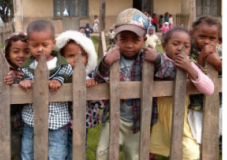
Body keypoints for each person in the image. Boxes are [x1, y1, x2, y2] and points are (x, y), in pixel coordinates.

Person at [94, 8, 176, 160]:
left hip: (138, 120)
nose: (129, 45)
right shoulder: (112, 56)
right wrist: (105, 62)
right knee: (102, 153)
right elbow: (97, 77)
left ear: (144, 39)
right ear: (116, 38)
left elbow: (172, 73)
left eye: (135, 40)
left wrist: (158, 59)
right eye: (123, 39)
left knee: (134, 155)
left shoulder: (148, 58)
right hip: (115, 117)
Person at [150, 27, 214, 160]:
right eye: (175, 44)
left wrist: (190, 69)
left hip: (180, 116)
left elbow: (209, 89)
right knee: (150, 146)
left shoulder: (190, 65)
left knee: (191, 153)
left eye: (186, 46)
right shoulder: (156, 62)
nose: (180, 48)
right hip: (155, 115)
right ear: (164, 46)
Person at [18, 20, 73, 160]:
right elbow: (20, 76)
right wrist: (23, 80)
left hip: (58, 118)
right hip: (32, 118)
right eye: (34, 45)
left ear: (53, 44)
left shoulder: (62, 64)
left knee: (57, 152)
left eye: (45, 45)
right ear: (28, 44)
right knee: (28, 150)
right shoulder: (26, 66)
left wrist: (59, 79)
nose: (40, 49)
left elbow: (69, 74)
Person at [55, 30, 106, 160]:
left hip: (81, 120)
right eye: (70, 55)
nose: (77, 59)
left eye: (82, 54)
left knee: (78, 146)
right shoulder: (57, 76)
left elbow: (99, 101)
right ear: (61, 56)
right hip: (60, 121)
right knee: (60, 147)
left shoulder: (89, 76)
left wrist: (92, 84)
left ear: (88, 56)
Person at [187, 16, 222, 148]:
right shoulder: (190, 52)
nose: (206, 42)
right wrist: (201, 57)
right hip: (196, 103)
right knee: (198, 135)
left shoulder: (220, 52)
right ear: (192, 34)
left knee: (217, 130)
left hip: (218, 102)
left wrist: (218, 63)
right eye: (202, 36)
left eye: (212, 38)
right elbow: (194, 74)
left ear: (218, 38)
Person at [3, 32, 31, 160]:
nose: (21, 55)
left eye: (26, 51)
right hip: (13, 125)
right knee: (15, 153)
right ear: (7, 55)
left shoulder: (36, 71)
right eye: (16, 51)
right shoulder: (6, 73)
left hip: (33, 124)